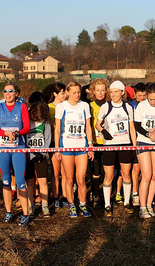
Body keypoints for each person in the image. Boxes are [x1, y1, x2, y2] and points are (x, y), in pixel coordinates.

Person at [0, 82, 31, 226]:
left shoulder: (22, 106)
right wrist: (4, 133)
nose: (7, 94)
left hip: (18, 148)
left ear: (16, 93)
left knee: (20, 181)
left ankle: (26, 213)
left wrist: (16, 132)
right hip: (3, 148)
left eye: (11, 91)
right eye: (5, 91)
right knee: (6, 180)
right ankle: (8, 212)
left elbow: (27, 127)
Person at [96, 80, 136, 217]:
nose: (113, 95)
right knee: (109, 175)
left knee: (126, 174)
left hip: (125, 144)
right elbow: (97, 124)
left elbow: (131, 127)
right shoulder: (106, 107)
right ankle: (107, 204)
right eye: (111, 92)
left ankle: (126, 202)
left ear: (122, 92)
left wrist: (134, 146)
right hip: (109, 145)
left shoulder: (128, 107)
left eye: (116, 92)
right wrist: (103, 131)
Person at [54, 81, 94, 218]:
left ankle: (82, 204)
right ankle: (72, 205)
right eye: (74, 92)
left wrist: (90, 145)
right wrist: (57, 148)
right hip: (66, 147)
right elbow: (58, 128)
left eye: (79, 92)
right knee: (69, 179)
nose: (77, 95)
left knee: (81, 178)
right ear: (67, 93)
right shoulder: (61, 107)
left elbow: (88, 126)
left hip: (81, 146)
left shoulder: (84, 106)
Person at [134, 82, 155, 218]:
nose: (153, 102)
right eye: (151, 99)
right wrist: (148, 134)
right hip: (144, 141)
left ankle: (149, 204)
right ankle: (142, 207)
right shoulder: (142, 106)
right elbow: (137, 125)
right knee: (147, 175)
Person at [43, 82, 67, 209]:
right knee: (55, 172)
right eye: (62, 93)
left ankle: (66, 196)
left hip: (67, 142)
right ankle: (56, 196)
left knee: (66, 172)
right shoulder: (48, 107)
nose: (64, 95)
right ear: (55, 94)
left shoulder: (68, 106)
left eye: (65, 92)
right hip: (53, 142)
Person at [25, 100, 51, 218]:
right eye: (36, 118)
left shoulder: (45, 123)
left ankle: (45, 206)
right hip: (29, 155)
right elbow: (23, 138)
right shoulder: (26, 122)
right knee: (29, 182)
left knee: (43, 181)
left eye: (40, 118)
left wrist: (42, 152)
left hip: (40, 155)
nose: (38, 120)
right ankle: (31, 206)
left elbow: (48, 139)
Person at [89, 78, 110, 207]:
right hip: (95, 142)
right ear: (93, 92)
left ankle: (109, 194)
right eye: (98, 90)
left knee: (109, 171)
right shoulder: (90, 106)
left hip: (108, 142)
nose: (100, 93)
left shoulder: (110, 105)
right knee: (95, 171)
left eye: (103, 90)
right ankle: (95, 194)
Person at [129, 82, 147, 206]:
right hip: (132, 140)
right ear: (134, 94)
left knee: (145, 170)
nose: (142, 98)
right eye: (139, 95)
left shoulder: (148, 105)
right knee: (135, 168)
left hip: (146, 139)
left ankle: (144, 193)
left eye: (144, 95)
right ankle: (134, 193)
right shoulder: (130, 106)